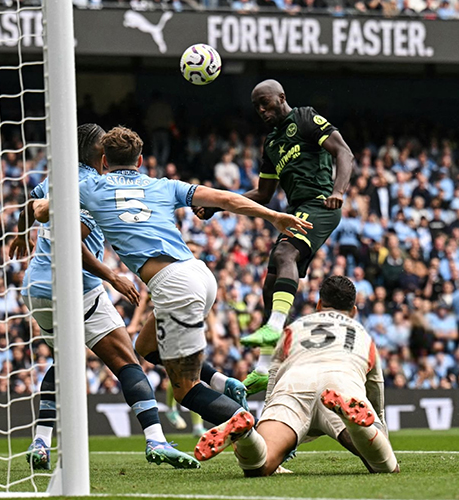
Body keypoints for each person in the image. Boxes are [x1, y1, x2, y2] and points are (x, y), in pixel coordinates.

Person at [36, 126, 312, 462]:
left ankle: (259, 432)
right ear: (140, 160)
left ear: (104, 160)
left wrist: (43, 208)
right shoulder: (161, 185)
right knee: (144, 347)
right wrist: (272, 215)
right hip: (199, 275)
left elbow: (41, 211)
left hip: (174, 287)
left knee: (186, 390)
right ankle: (224, 383)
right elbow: (224, 198)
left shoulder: (89, 185)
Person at [10, 124, 200, 470]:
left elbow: (32, 203)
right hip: (75, 287)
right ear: (102, 156)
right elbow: (72, 239)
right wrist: (112, 276)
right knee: (127, 360)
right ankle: (156, 439)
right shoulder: (93, 186)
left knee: (64, 362)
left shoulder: (58, 177)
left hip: (36, 289)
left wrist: (23, 234)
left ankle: (40, 441)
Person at [194, 79, 354, 394]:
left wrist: (338, 191)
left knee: (285, 256)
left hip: (320, 204)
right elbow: (263, 194)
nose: (262, 111)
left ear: (281, 97)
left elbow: (344, 152)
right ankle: (264, 368)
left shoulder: (306, 118)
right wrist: (218, 205)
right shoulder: (272, 143)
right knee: (270, 281)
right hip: (295, 211)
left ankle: (275, 328)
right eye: (257, 107)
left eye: (265, 103)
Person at [198, 276, 399, 476]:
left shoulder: (292, 329)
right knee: (383, 465)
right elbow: (376, 396)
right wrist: (383, 435)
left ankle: (247, 436)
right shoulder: (364, 336)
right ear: (353, 311)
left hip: (295, 385)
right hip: (340, 385)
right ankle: (357, 428)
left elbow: (273, 379)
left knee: (260, 465)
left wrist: (267, 421)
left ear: (319, 304)